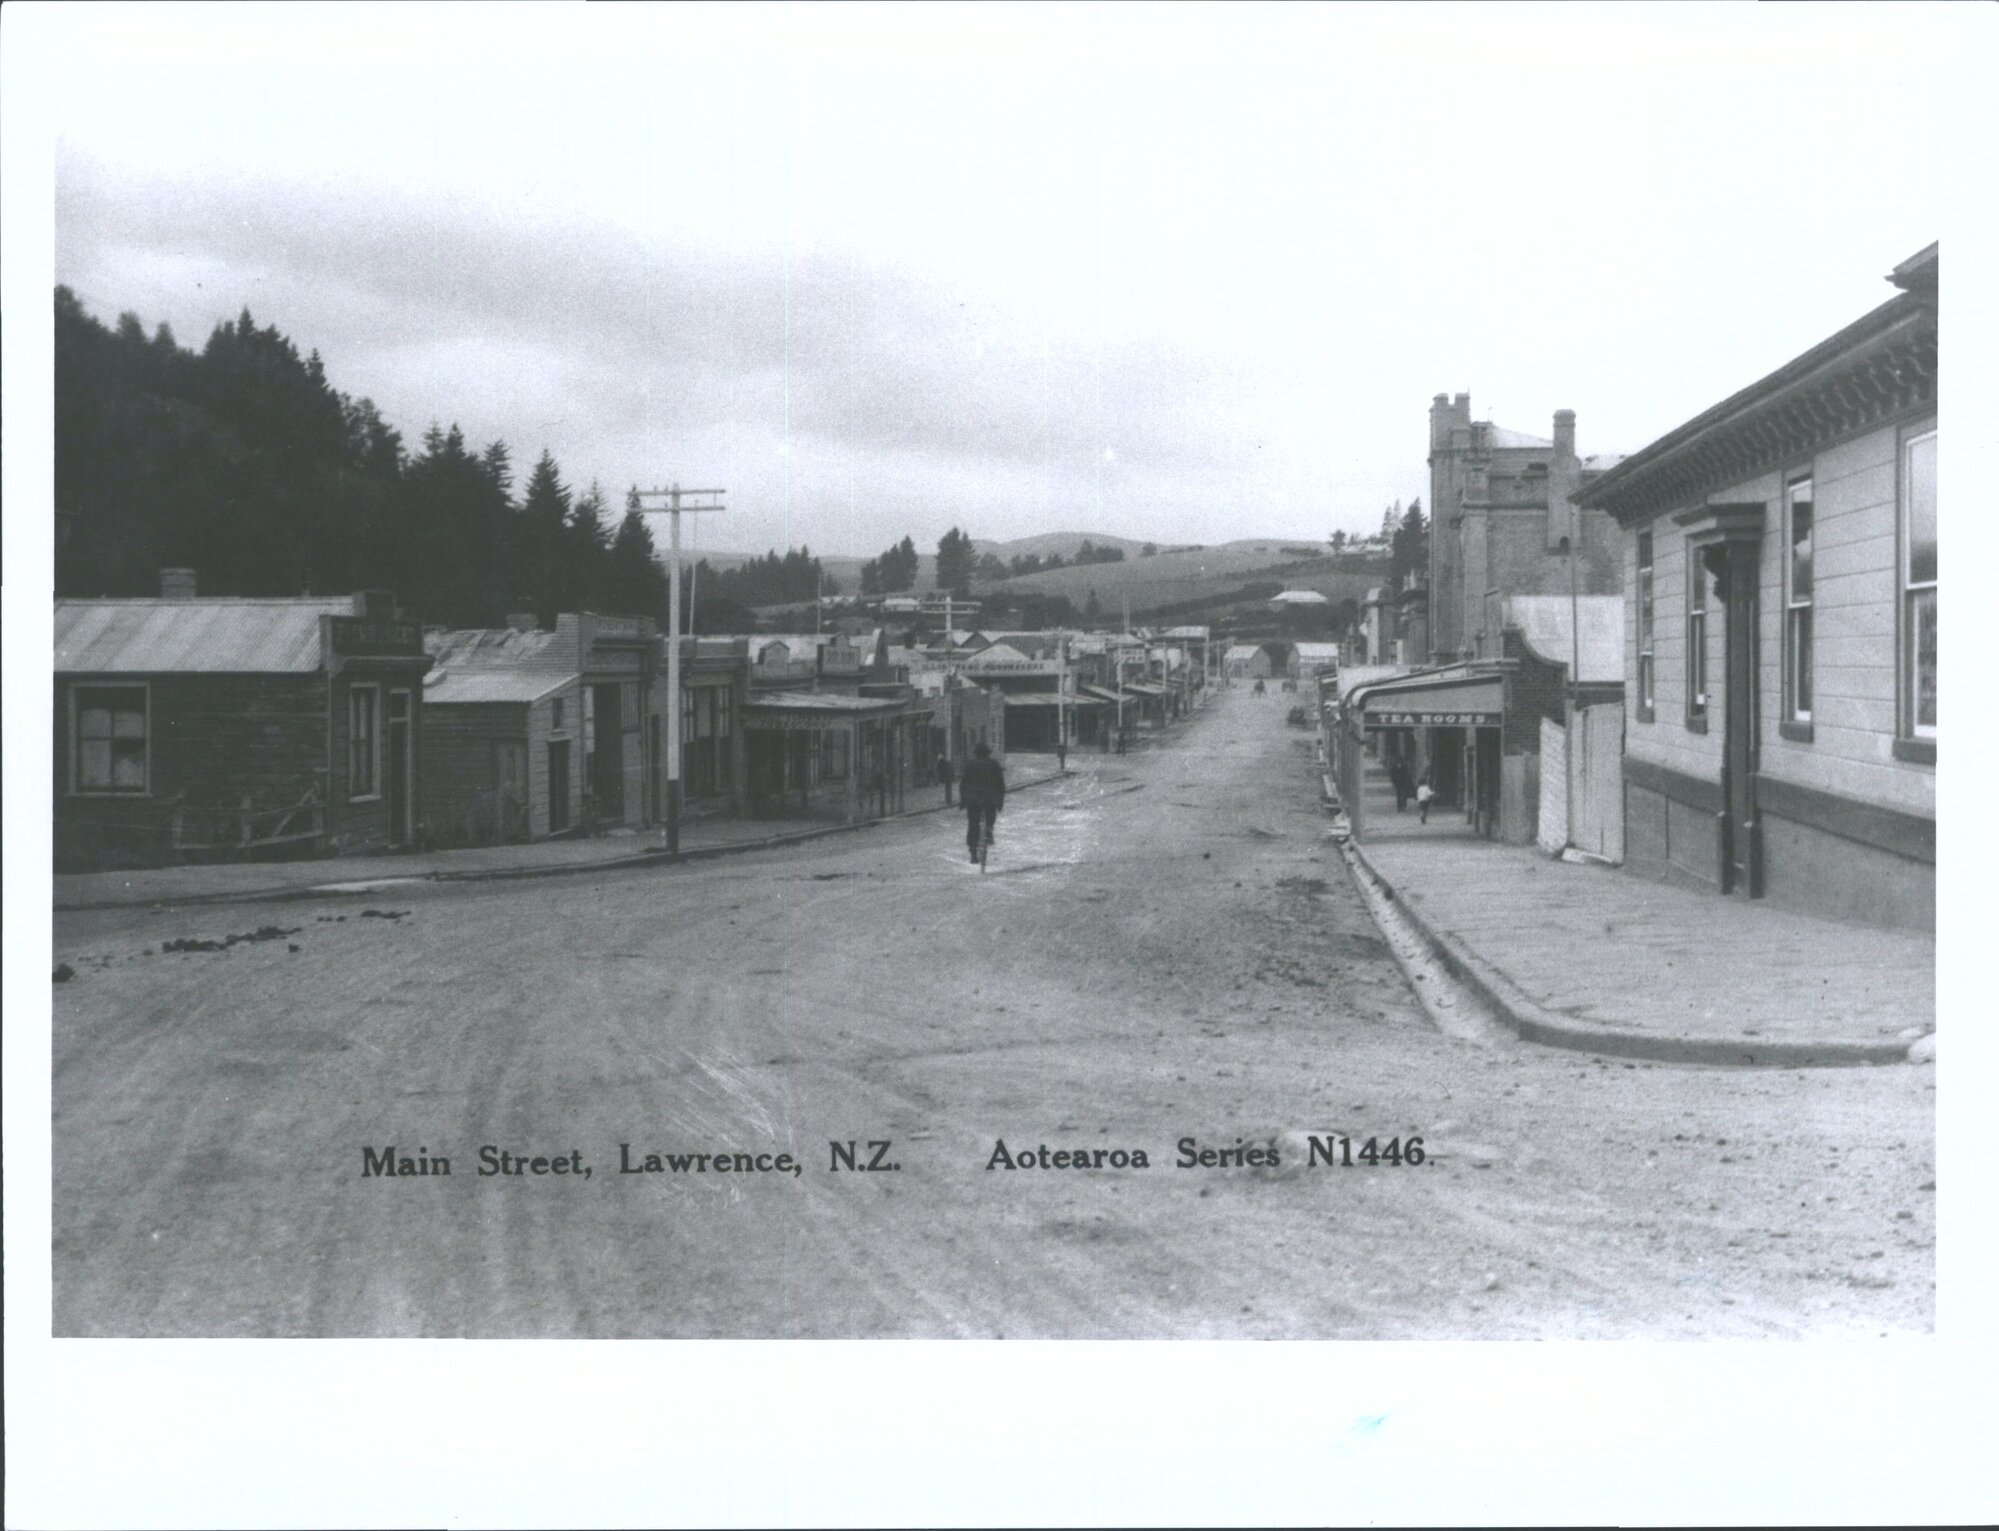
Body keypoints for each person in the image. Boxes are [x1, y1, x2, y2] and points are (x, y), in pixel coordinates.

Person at [960, 741, 1006, 863]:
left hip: (973, 799)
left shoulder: (970, 764)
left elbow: (963, 784)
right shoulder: (994, 764)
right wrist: (1000, 803)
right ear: (987, 754)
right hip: (989, 798)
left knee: (973, 824)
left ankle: (973, 852)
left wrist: (963, 801)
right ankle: (989, 831)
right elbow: (1001, 785)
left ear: (976, 754)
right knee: (990, 817)